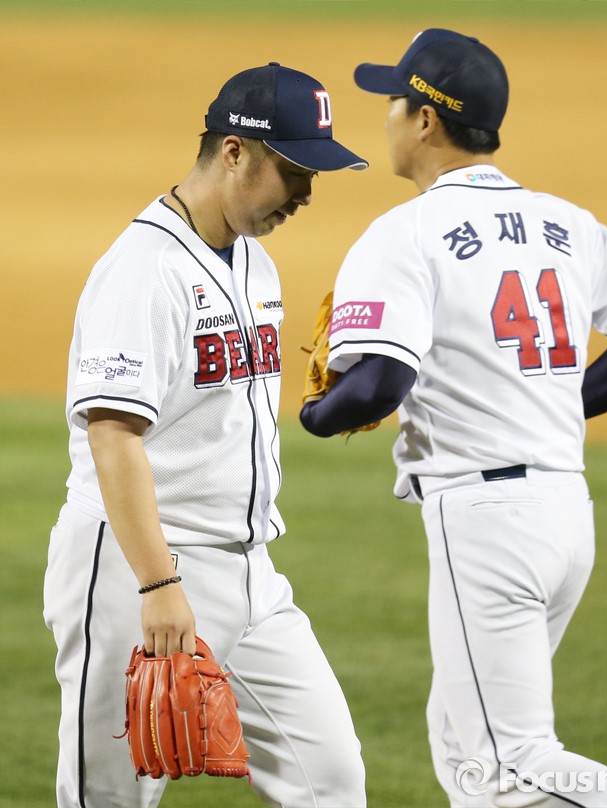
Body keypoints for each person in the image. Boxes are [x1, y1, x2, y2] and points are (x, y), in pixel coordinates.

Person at [300, 29, 607, 808]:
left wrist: (315, 415)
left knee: (510, 764)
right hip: (564, 515)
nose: (386, 115)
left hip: (489, 523)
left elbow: (378, 385)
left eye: (394, 100)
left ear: (426, 121)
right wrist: (539, 402)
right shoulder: (565, 222)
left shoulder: (404, 233)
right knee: (464, 748)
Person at [44, 62, 369, 808]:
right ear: (233, 152)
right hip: (139, 571)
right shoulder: (142, 270)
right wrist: (158, 585)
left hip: (251, 574)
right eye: (294, 171)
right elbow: (113, 434)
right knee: (110, 798)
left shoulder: (254, 259)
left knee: (332, 781)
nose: (306, 193)